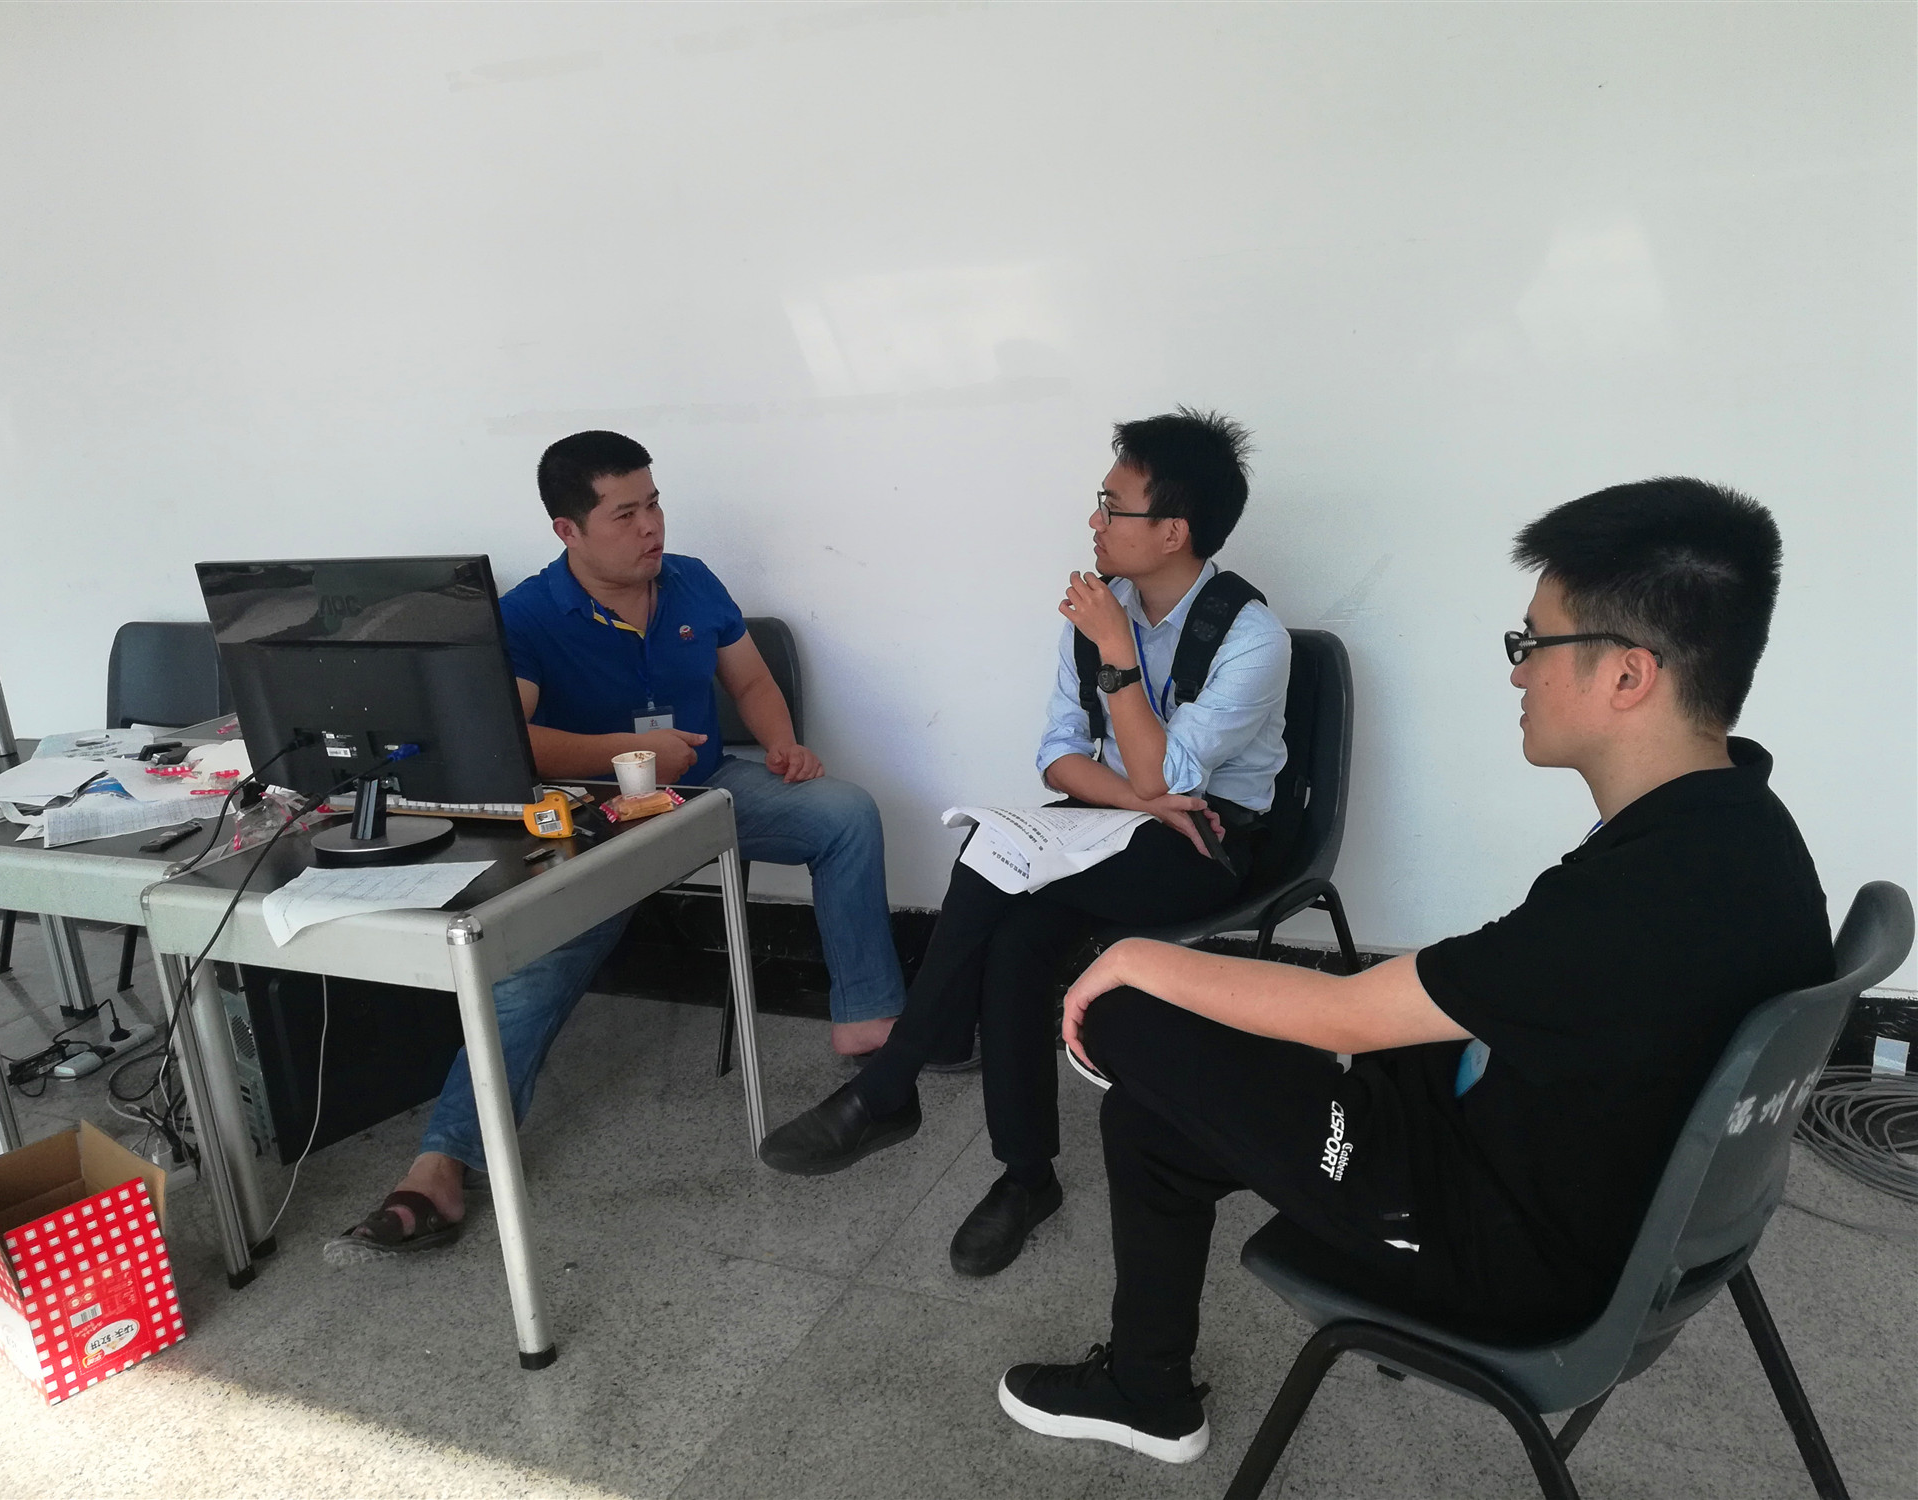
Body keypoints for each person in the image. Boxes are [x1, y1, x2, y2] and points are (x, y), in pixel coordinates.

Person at [992, 478, 1835, 1465]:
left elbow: (1348, 1015)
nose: (1516, 674)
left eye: (1532, 644)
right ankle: (1147, 1390)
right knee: (1155, 1110)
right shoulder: (1740, 824)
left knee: (1127, 1015)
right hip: (1556, 1172)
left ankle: (1150, 1378)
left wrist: (1133, 956)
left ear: (1626, 675)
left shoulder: (1644, 900)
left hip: (1495, 1248)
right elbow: (1452, 1000)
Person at [326, 430, 908, 1261]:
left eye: (655, 503)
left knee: (845, 813)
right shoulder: (529, 615)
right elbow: (514, 741)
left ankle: (868, 1024)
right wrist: (623, 752)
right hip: (594, 814)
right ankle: (443, 1161)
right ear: (568, 530)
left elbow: (749, 679)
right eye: (625, 513)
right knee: (536, 965)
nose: (651, 526)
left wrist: (782, 743)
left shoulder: (692, 580)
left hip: (703, 791)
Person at [758, 409, 1291, 1278]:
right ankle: (1023, 1175)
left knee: (998, 889)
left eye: (1112, 505)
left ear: (1173, 531)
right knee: (1010, 923)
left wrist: (1118, 659)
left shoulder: (1251, 637)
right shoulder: (1099, 609)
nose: (1094, 521)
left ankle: (893, 1089)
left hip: (1209, 842)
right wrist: (1136, 797)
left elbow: (1168, 777)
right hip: (1118, 821)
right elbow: (1058, 757)